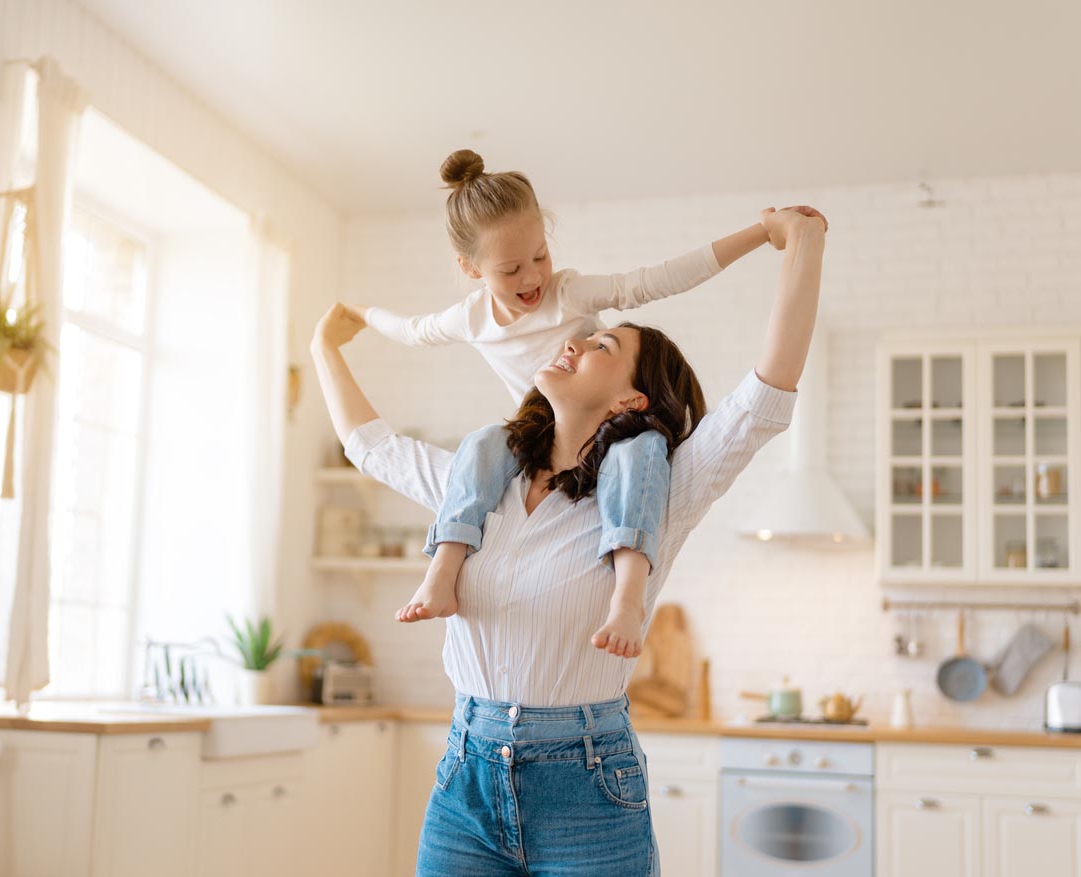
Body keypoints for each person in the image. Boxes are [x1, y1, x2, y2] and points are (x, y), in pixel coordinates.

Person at [310, 204, 828, 875]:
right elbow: (372, 448)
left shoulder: (660, 492)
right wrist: (324, 346)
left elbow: (764, 397)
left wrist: (800, 243)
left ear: (629, 401)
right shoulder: (480, 481)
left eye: (602, 347)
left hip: (586, 784)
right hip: (465, 777)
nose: (573, 341)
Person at [346, 148, 826, 658]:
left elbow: (659, 278)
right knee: (483, 442)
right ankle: (442, 572)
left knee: (637, 454)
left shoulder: (567, 294)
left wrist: (763, 234)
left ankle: (628, 597)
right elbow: (410, 334)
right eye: (511, 270)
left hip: (608, 436)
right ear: (470, 268)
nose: (532, 278)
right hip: (537, 430)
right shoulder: (470, 321)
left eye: (540, 256)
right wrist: (356, 315)